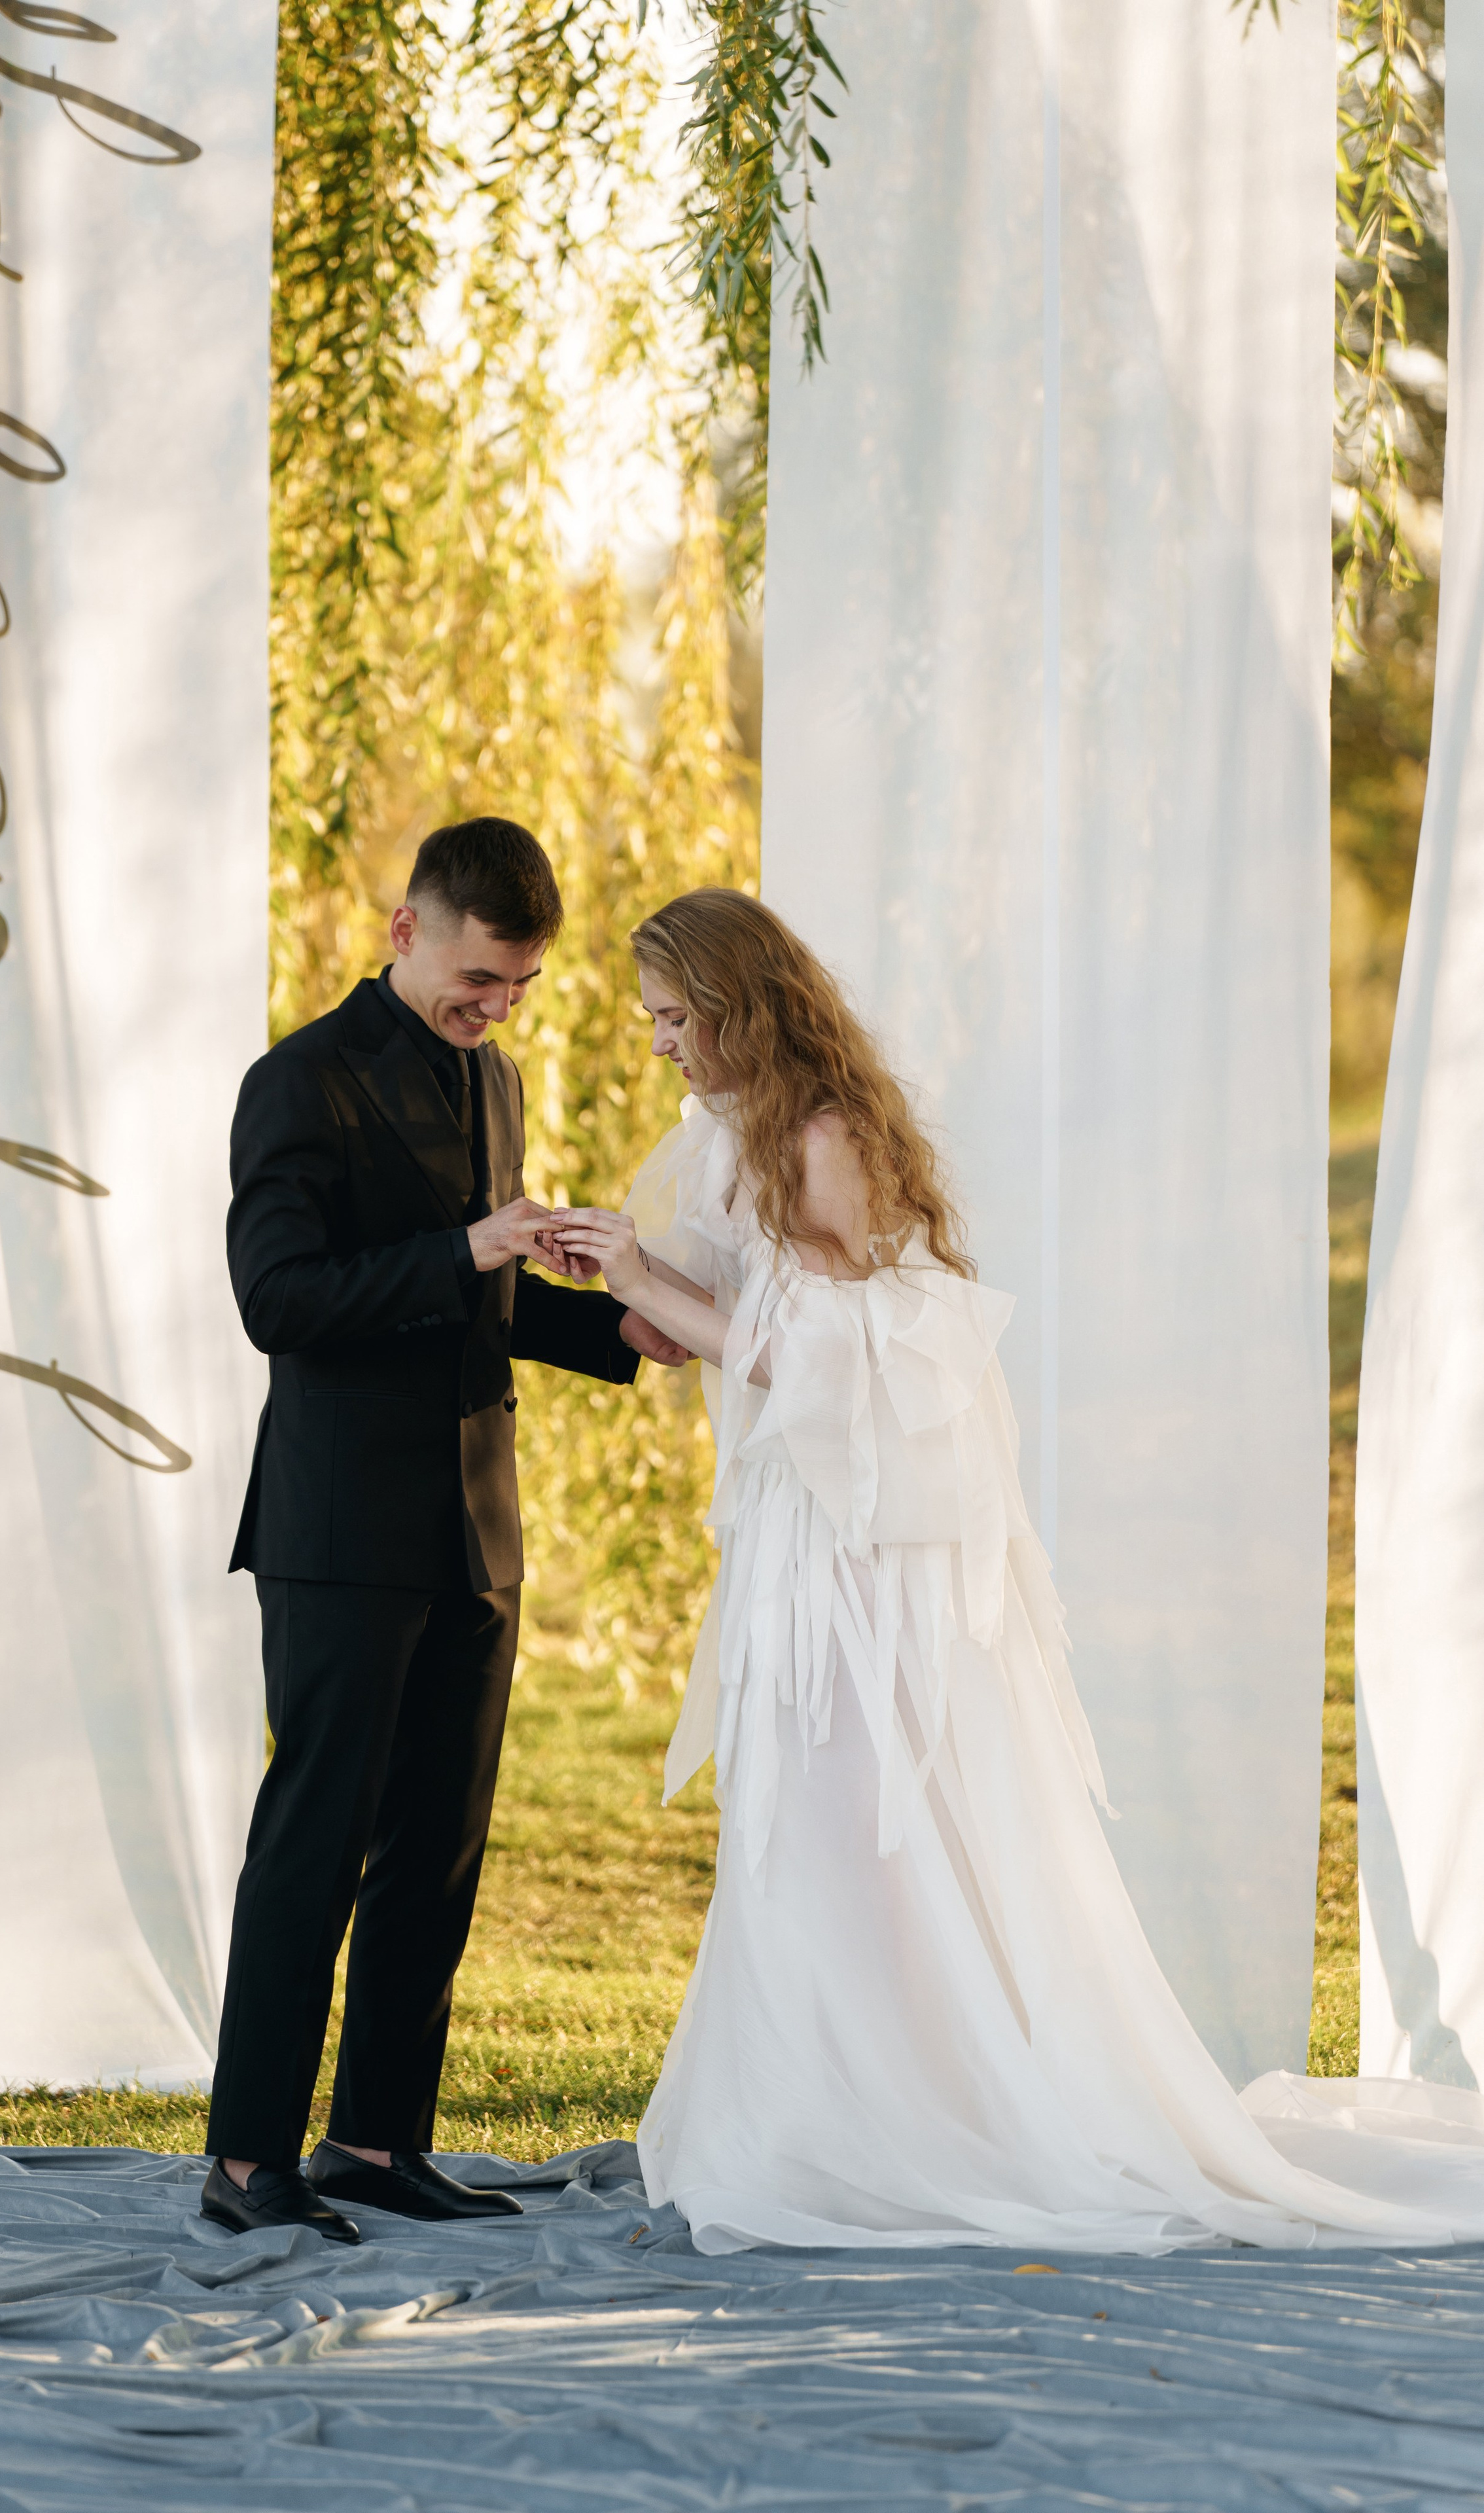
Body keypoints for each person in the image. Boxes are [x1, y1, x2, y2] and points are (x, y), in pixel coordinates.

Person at [553, 887, 1484, 2255]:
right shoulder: (724, 1141)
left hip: (867, 1548)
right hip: (792, 1535)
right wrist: (606, 1266)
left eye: (675, 1019)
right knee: (796, 1822)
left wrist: (651, 1278)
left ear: (739, 1005)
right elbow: (704, 1323)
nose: (659, 1048)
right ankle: (825, 2104)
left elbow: (820, 1360)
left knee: (862, 1827)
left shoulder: (822, 1140)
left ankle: (919, 2110)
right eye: (650, 1024)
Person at [200, 819, 687, 2244]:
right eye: (477, 982)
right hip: (340, 1528)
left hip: (476, 1524)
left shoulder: (495, 1079)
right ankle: (244, 2165)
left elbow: (472, 1299)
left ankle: (371, 2142)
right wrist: (466, 1247)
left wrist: (618, 1330)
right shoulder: (297, 1082)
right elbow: (279, 1302)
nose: (493, 1012)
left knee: (439, 1847)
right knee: (315, 1842)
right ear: (405, 926)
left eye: (517, 991)